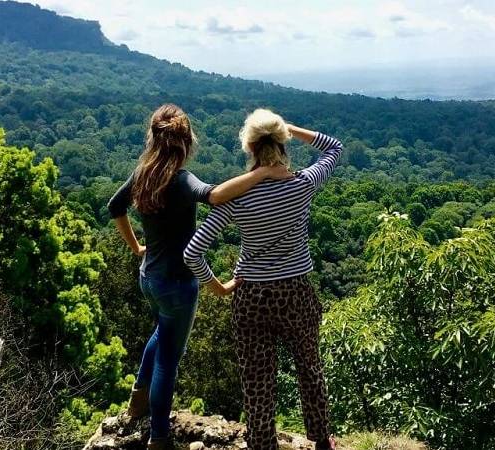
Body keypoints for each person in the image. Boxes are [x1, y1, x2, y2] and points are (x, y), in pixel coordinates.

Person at [107, 104, 290, 450]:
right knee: (168, 361)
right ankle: (159, 437)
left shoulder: (143, 172)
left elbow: (115, 207)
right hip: (178, 284)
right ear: (186, 140)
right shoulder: (180, 179)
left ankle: (137, 399)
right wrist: (264, 172)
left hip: (149, 278)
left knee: (161, 333)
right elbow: (216, 195)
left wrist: (136, 247)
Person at [184, 109, 342, 450]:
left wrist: (219, 288)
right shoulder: (303, 184)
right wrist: (289, 127)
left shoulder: (237, 198)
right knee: (309, 369)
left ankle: (262, 444)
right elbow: (334, 147)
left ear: (250, 147)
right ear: (282, 141)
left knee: (257, 382)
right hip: (296, 292)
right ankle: (321, 440)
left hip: (251, 297)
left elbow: (192, 252)